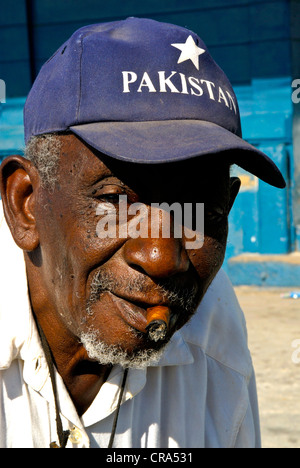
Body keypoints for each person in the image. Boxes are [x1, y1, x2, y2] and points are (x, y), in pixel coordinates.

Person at [0, 17, 285, 449]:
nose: (163, 258)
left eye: (200, 211)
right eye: (115, 199)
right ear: (27, 205)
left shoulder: (214, 329)